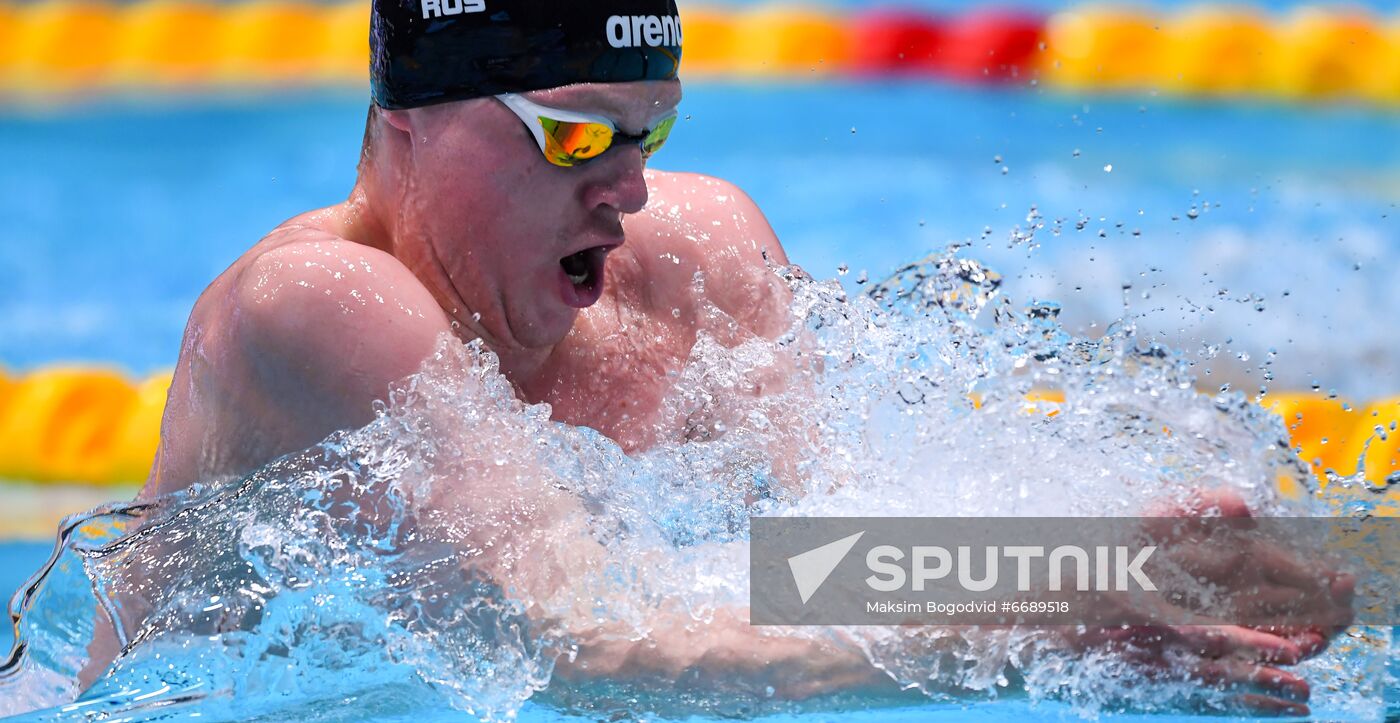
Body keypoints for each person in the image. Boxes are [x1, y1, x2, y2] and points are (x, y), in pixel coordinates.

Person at [121, 0, 1344, 714]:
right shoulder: (315, 305)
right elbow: (588, 654)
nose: (629, 188)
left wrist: (1098, 573)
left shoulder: (695, 253)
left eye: (652, 131)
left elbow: (811, 562)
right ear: (406, 122)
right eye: (579, 135)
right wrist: (1030, 607)